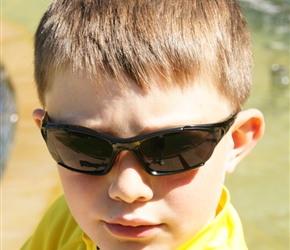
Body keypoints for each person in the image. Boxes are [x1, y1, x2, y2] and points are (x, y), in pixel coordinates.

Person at [21, 0, 265, 249]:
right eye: (85, 147)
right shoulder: (67, 221)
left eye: (170, 148)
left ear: (235, 141)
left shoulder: (90, 214)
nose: (127, 189)